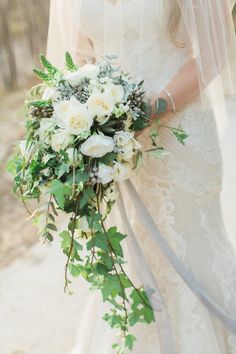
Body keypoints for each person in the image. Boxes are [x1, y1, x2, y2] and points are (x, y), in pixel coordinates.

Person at [46, 0, 236, 353]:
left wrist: (141, 118)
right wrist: (89, 124)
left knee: (191, 252)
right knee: (135, 258)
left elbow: (213, 49)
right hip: (111, 146)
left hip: (182, 138)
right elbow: (78, 57)